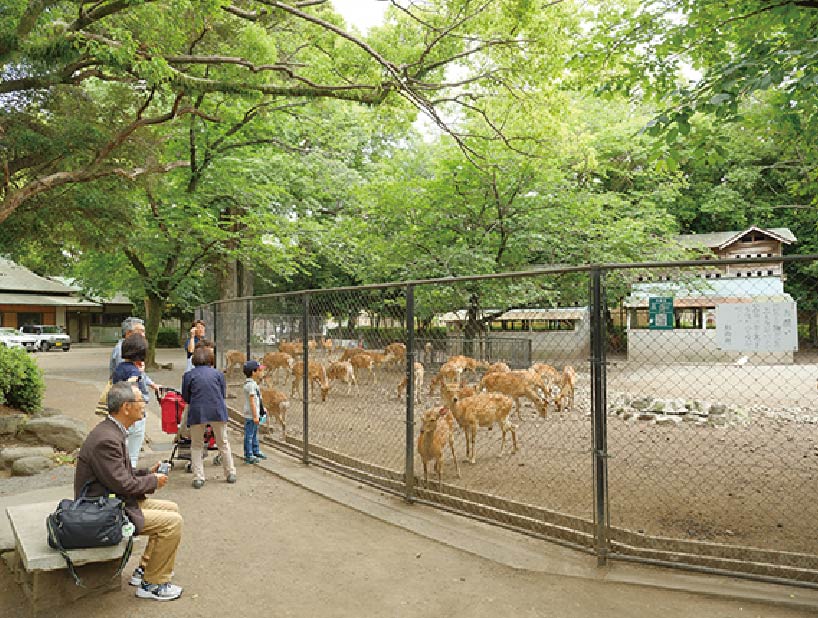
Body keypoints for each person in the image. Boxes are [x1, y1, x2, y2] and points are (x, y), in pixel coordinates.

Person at [74, 381, 183, 601]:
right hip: (101, 510)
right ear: (126, 407)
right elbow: (123, 484)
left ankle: (145, 569)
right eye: (141, 400)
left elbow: (120, 474)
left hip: (111, 500)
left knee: (172, 508)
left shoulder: (112, 430)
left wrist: (146, 473)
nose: (144, 404)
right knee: (172, 523)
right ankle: (153, 584)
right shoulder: (107, 438)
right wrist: (153, 481)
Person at [180, 346, 237, 488]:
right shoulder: (218, 374)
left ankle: (198, 477)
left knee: (197, 445)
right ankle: (230, 472)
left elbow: (186, 397)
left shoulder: (188, 375)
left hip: (198, 411)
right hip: (217, 410)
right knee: (223, 442)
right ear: (211, 360)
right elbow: (222, 394)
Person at [242, 360, 268, 465]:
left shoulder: (252, 384)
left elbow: (257, 400)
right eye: (259, 370)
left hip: (254, 413)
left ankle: (255, 451)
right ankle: (249, 455)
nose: (261, 372)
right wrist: (255, 415)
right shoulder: (251, 386)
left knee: (254, 434)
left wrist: (262, 409)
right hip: (251, 415)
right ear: (253, 372)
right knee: (249, 435)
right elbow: (252, 401)